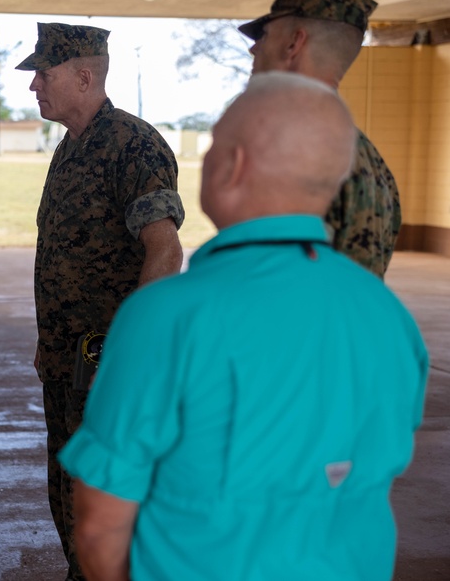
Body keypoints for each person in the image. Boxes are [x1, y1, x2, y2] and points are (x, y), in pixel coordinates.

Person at [60, 71, 429, 581]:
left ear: (232, 165)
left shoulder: (165, 317)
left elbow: (102, 522)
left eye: (213, 146)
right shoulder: (387, 315)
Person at [15, 22, 185, 581]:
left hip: (110, 366)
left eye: (44, 74)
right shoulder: (70, 147)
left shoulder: (132, 144)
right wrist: (51, 340)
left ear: (84, 76)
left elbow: (164, 251)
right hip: (69, 361)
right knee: (69, 490)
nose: (34, 86)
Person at [241, 0, 401, 279]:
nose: (254, 49)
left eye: (264, 34)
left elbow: (265, 276)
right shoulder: (366, 153)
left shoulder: (289, 145)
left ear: (294, 43)